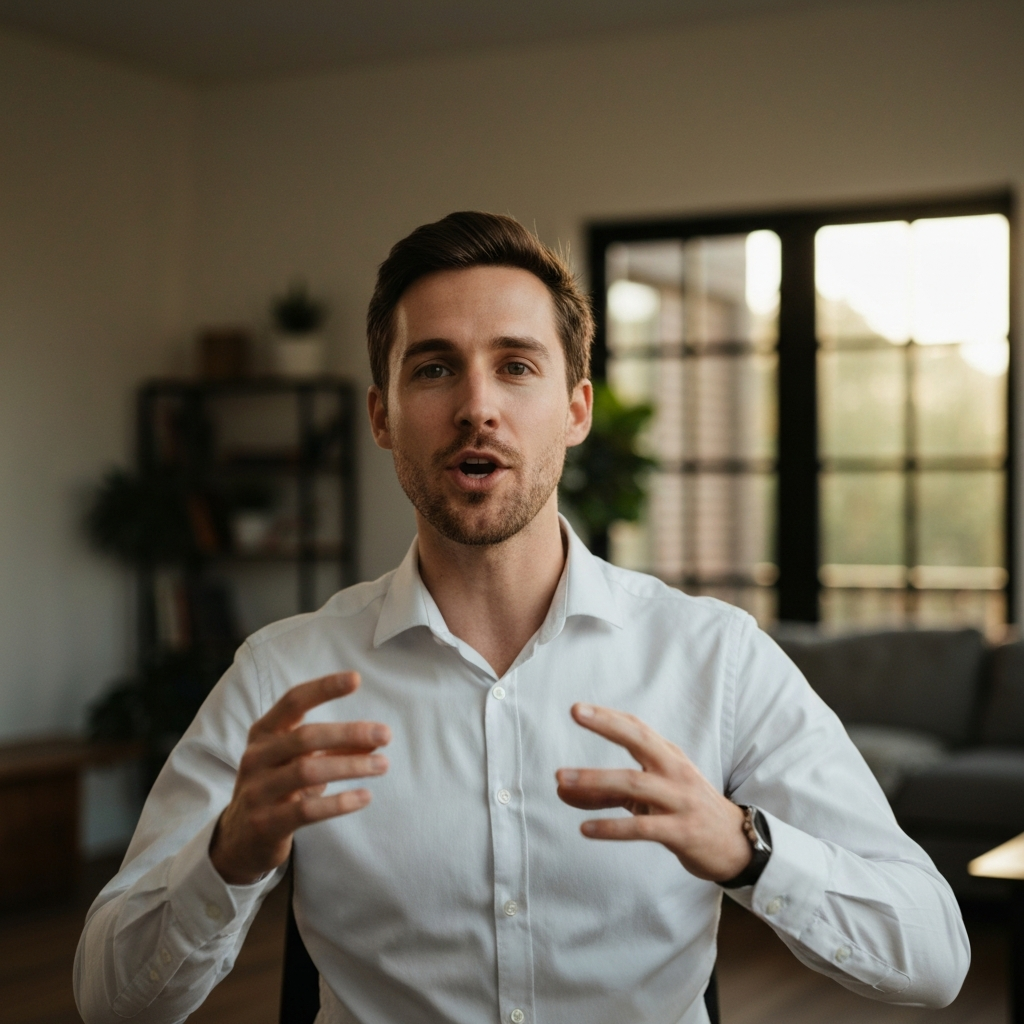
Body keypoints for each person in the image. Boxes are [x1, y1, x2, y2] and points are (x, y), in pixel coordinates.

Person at [75, 212, 969, 1024]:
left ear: (575, 409)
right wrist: (225, 859)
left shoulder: (716, 658)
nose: (477, 407)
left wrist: (746, 848)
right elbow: (106, 998)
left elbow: (934, 957)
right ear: (383, 417)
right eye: (434, 368)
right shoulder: (282, 675)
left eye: (516, 365)